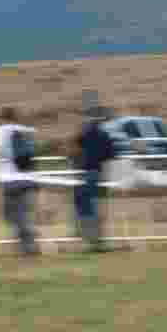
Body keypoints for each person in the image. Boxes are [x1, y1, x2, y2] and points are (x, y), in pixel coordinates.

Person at [0, 107, 40, 256]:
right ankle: (27, 243)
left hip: (9, 178)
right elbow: (35, 153)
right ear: (16, 117)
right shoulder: (27, 130)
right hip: (29, 178)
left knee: (10, 214)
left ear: (1, 118)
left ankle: (27, 244)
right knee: (23, 212)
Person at [73, 105, 118, 251]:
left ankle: (92, 242)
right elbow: (112, 155)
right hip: (102, 175)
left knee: (87, 209)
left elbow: (76, 145)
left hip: (87, 174)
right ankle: (98, 241)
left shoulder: (86, 133)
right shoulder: (105, 135)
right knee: (97, 210)